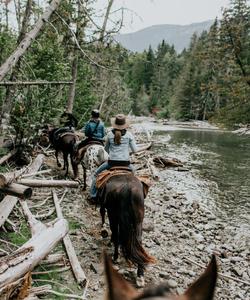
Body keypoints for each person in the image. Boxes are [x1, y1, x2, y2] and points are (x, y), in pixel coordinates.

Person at [89, 114, 138, 202]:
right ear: (124, 124)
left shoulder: (109, 135)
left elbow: (106, 150)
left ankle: (93, 195)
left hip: (111, 163)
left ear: (115, 124)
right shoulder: (129, 135)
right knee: (134, 174)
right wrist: (126, 153)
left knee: (96, 174)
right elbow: (135, 150)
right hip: (126, 163)